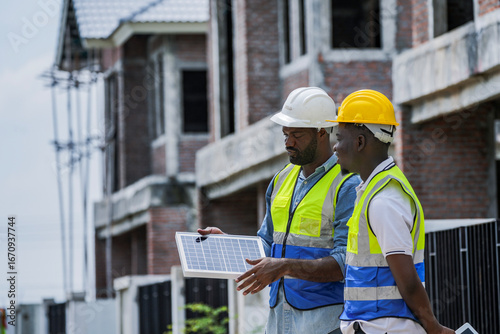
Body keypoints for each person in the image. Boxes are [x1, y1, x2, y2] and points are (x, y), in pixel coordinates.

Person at [198, 87, 360, 334]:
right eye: (285, 134)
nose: (288, 142)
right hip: (279, 318)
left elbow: (345, 263)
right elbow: (266, 243)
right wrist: (229, 246)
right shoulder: (281, 180)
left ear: (321, 132)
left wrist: (284, 266)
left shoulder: (347, 185)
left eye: (296, 134)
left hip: (325, 321)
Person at [328, 89, 455, 334]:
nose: (335, 147)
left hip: (384, 327)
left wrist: (434, 329)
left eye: (339, 137)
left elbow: (407, 281)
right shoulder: (375, 190)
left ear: (360, 141)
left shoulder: (383, 200)